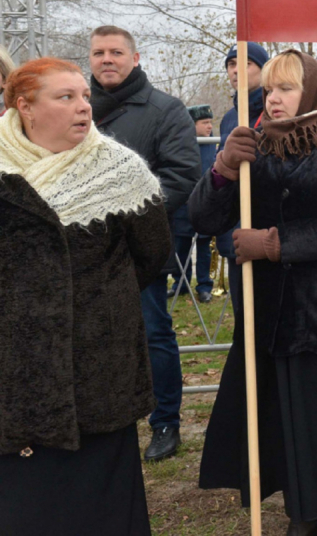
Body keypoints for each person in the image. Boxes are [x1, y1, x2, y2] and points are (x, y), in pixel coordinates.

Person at [190, 50, 317, 536]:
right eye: (270, 89)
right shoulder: (254, 147)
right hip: (270, 314)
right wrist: (223, 169)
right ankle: (302, 514)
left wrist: (274, 243)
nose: (274, 98)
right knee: (283, 421)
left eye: (286, 89)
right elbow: (204, 219)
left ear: (313, 91)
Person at [0, 57, 171, 536]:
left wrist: (93, 304)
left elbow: (152, 253)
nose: (83, 108)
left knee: (101, 505)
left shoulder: (120, 171)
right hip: (14, 370)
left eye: (85, 97)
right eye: (66, 97)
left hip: (98, 365)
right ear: (25, 107)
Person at [88, 24, 201, 463]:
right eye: (98, 52)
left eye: (116, 52)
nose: (107, 59)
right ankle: (106, 424)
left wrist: (120, 216)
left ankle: (165, 422)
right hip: (81, 249)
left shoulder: (165, 110)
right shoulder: (75, 107)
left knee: (152, 332)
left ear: (136, 59)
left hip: (139, 245)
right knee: (94, 336)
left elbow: (181, 175)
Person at [216, 42, 270, 345]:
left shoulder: (275, 112)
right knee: (245, 331)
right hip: (234, 236)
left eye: (247, 63)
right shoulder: (228, 118)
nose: (236, 70)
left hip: (266, 237)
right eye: (231, 64)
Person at [170, 104, 217, 303]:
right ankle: (180, 283)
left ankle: (204, 286)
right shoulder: (180, 143)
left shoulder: (212, 143)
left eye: (210, 123)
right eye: (204, 122)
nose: (209, 127)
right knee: (181, 246)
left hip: (205, 204)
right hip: (183, 205)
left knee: (204, 246)